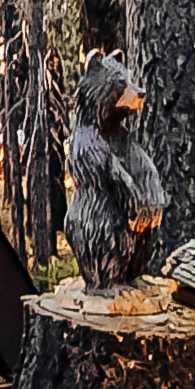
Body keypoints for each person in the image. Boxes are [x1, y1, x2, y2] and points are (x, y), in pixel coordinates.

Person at [65, 52, 167, 294]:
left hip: (128, 223)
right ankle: (104, 283)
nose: (136, 90)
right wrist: (129, 189)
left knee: (141, 235)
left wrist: (151, 193)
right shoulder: (85, 138)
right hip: (97, 224)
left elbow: (143, 168)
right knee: (104, 230)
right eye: (122, 85)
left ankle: (131, 275)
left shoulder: (122, 138)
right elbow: (108, 172)